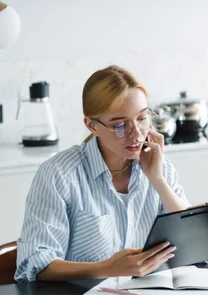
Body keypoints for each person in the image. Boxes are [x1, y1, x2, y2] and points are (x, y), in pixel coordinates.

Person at [15, 65, 191, 283]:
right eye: (120, 125)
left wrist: (158, 180)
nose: (136, 134)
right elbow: (36, 264)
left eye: (142, 118)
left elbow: (189, 239)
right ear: (92, 125)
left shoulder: (157, 164)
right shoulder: (59, 175)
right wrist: (107, 268)